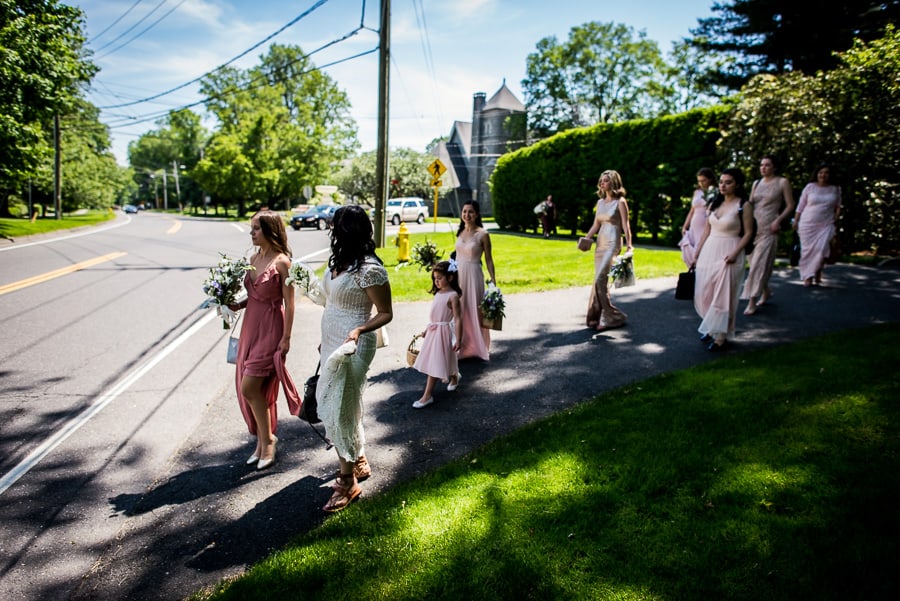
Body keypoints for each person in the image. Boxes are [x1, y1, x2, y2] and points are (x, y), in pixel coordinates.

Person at [317, 205, 392, 512]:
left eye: (335, 225)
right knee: (341, 403)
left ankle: (347, 483)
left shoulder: (370, 269)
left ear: (347, 229)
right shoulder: (339, 260)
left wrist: (360, 328)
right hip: (331, 341)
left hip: (354, 344)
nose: (330, 229)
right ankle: (356, 457)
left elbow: (386, 312)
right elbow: (331, 303)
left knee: (341, 409)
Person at [227, 210, 300, 471]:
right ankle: (261, 442)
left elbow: (289, 305)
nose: (251, 233)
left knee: (250, 387)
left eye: (256, 228)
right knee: (252, 388)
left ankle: (268, 440)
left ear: (270, 231)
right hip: (250, 326)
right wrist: (238, 304)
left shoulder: (282, 263)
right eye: (251, 228)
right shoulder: (253, 258)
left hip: (271, 329)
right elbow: (256, 294)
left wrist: (286, 338)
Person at [693, 168, 755, 351]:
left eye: (728, 182)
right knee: (706, 292)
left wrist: (735, 253)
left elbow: (749, 232)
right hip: (710, 249)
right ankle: (711, 326)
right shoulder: (713, 203)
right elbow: (706, 230)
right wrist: (698, 250)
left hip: (730, 250)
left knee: (724, 295)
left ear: (737, 184)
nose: (723, 185)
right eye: (721, 182)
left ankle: (721, 335)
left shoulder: (744, 204)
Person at [741, 155, 796, 315]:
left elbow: (790, 205)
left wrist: (778, 220)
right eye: (761, 165)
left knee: (758, 265)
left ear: (774, 167)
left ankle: (752, 302)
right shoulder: (756, 183)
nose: (763, 168)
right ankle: (766, 290)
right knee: (755, 264)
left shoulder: (782, 182)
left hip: (770, 227)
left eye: (767, 165)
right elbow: (750, 203)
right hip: (753, 227)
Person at [581, 170, 633, 331]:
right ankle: (600, 316)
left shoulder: (621, 202)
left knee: (600, 280)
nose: (602, 183)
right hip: (600, 243)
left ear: (614, 183)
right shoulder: (600, 203)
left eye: (606, 181)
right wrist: (587, 239)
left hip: (613, 243)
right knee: (599, 280)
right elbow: (596, 225)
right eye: (601, 181)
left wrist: (630, 245)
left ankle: (611, 317)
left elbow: (626, 225)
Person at [412, 260, 463, 409]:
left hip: (444, 333)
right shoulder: (438, 293)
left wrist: (458, 339)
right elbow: (435, 316)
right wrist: (427, 330)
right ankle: (455, 376)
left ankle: (427, 396)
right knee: (444, 359)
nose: (437, 281)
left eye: (440, 278)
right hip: (434, 332)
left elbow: (458, 318)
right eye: (435, 278)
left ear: (450, 278)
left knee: (437, 362)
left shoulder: (452, 296)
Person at [455, 200, 496, 361]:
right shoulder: (460, 232)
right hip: (458, 275)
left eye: (470, 212)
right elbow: (456, 255)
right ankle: (460, 344)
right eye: (464, 211)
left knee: (474, 309)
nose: (467, 215)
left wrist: (493, 281)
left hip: (473, 275)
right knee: (459, 310)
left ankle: (478, 346)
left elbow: (489, 260)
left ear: (477, 214)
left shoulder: (483, 234)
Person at [794, 164, 842, 286]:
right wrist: (796, 220)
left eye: (826, 172)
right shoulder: (810, 187)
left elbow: (838, 206)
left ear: (830, 175)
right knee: (807, 251)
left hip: (826, 223)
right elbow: (801, 205)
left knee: (821, 249)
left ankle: (817, 271)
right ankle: (807, 276)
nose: (823, 175)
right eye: (821, 172)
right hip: (807, 223)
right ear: (816, 174)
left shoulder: (835, 189)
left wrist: (836, 217)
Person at [679, 167, 717, 268]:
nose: (701, 183)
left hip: (705, 223)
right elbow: (692, 211)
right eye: (699, 181)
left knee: (701, 248)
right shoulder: (697, 192)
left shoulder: (715, 192)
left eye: (703, 180)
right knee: (690, 248)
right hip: (694, 224)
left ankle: (701, 268)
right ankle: (693, 269)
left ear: (710, 179)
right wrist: (685, 225)